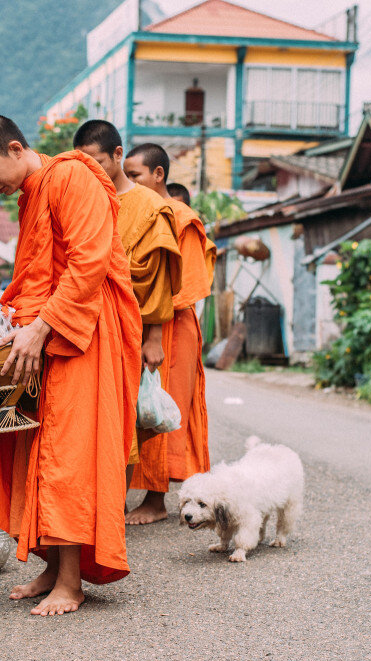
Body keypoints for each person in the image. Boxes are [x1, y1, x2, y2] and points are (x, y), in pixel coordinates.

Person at [0, 112, 142, 616]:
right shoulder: (33, 195)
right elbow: (38, 273)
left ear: (16, 149)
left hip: (85, 332)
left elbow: (89, 261)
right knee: (37, 445)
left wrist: (42, 327)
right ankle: (51, 563)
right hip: (48, 331)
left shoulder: (73, 175)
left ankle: (72, 581)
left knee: (67, 452)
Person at [73, 119, 182, 495]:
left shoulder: (150, 206)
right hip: (84, 325)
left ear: (118, 155)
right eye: (82, 164)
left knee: (122, 420)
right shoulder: (80, 200)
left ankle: (112, 507)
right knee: (84, 419)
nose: (91, 171)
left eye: (98, 161)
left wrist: (155, 337)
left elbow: (160, 279)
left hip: (128, 328)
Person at [122, 143, 217, 524]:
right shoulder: (134, 209)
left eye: (135, 175)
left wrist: (154, 332)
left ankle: (156, 500)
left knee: (162, 406)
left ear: (158, 175)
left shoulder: (181, 217)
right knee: (137, 405)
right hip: (140, 321)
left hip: (171, 326)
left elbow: (188, 283)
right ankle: (130, 493)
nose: (127, 182)